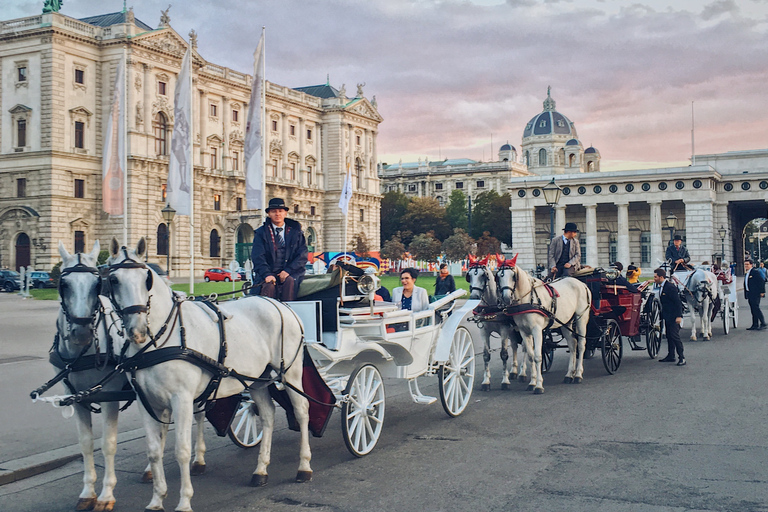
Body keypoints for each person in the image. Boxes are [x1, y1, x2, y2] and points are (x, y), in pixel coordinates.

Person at [250, 198, 308, 301]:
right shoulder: (261, 233)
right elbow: (258, 257)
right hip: (268, 273)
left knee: (289, 282)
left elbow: (302, 256)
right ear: (269, 214)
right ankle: (267, 315)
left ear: (285, 213)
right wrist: (267, 274)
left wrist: (288, 271)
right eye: (274, 211)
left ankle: (289, 311)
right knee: (269, 286)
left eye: (280, 211)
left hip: (291, 273)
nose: (277, 214)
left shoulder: (296, 232)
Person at [654, 268, 685, 366]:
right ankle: (671, 355)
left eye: (655, 277)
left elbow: (677, 302)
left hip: (673, 316)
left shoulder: (670, 287)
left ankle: (682, 357)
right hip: (667, 315)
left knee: (675, 336)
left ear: (661, 277)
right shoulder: (662, 286)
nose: (654, 279)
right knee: (669, 336)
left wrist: (679, 316)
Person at [744, 259, 766, 331]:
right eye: (745, 264)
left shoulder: (755, 272)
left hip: (755, 293)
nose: (746, 266)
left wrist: (762, 291)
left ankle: (763, 323)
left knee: (756, 308)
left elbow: (761, 281)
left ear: (751, 265)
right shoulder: (747, 273)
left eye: (747, 264)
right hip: (750, 293)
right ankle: (755, 324)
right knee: (753, 309)